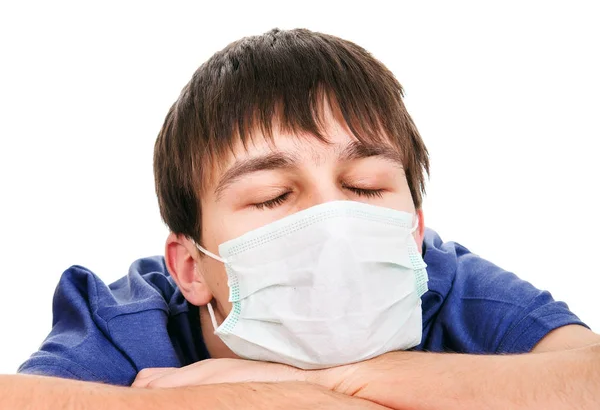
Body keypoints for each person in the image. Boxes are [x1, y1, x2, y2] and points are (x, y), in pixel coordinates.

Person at [4, 28, 599, 409]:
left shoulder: (456, 291)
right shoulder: (126, 324)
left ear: (416, 234)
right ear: (189, 267)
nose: (332, 220)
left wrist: (309, 388)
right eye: (270, 196)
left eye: (364, 187)